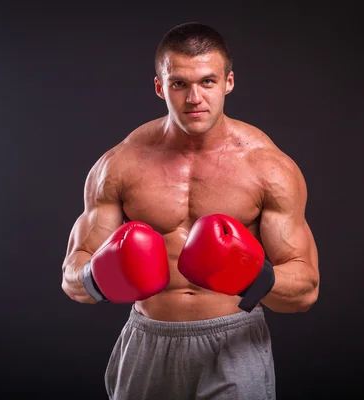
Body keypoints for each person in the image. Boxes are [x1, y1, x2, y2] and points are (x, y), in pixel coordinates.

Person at [61, 22, 319, 400]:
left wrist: (250, 276)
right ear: (159, 87)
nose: (194, 97)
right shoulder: (120, 165)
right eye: (179, 83)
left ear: (228, 82)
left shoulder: (268, 168)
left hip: (233, 343)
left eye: (208, 82)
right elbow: (71, 278)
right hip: (148, 342)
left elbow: (305, 290)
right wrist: (98, 278)